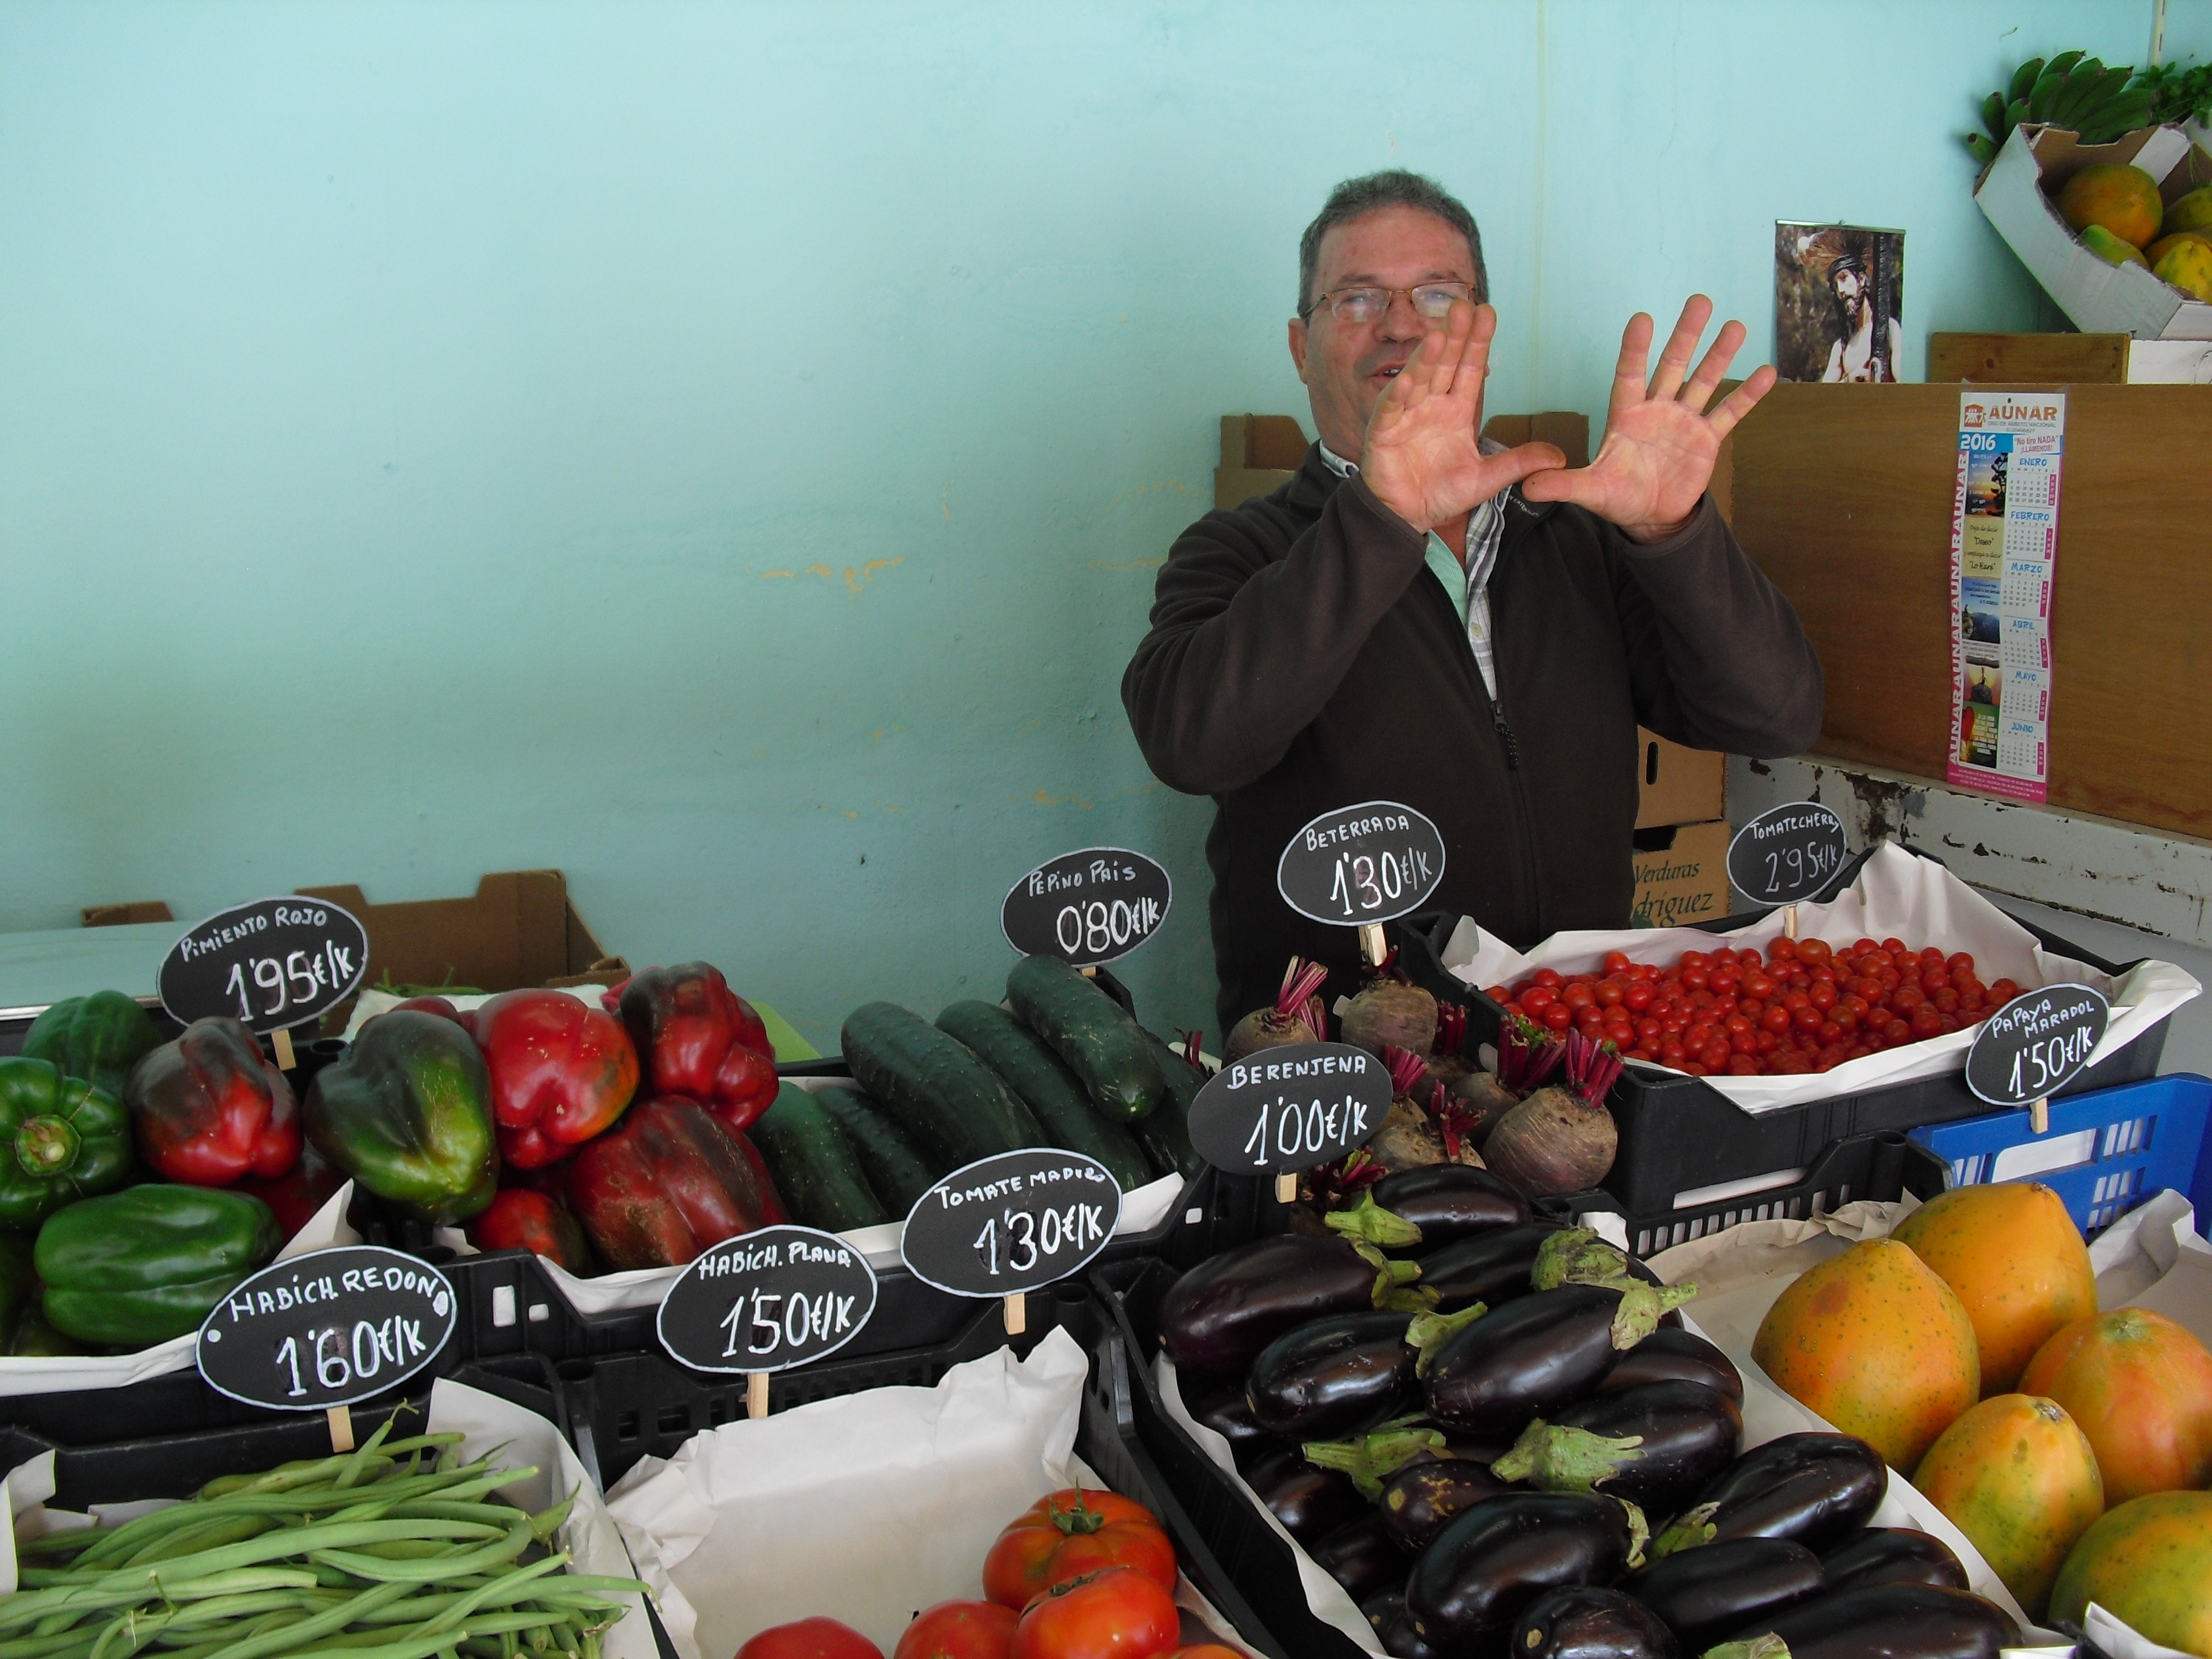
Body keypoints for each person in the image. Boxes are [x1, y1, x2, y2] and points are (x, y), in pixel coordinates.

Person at [1121, 170, 1824, 1036]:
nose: (1403, 324)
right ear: (1302, 349)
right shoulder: (1238, 549)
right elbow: (1192, 742)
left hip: (1574, 1050)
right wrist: (1381, 520)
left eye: (1439, 294)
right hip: (1345, 1076)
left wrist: (1675, 533)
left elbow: (1777, 715)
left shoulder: (1576, 539)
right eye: (1357, 297)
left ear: (1484, 328)